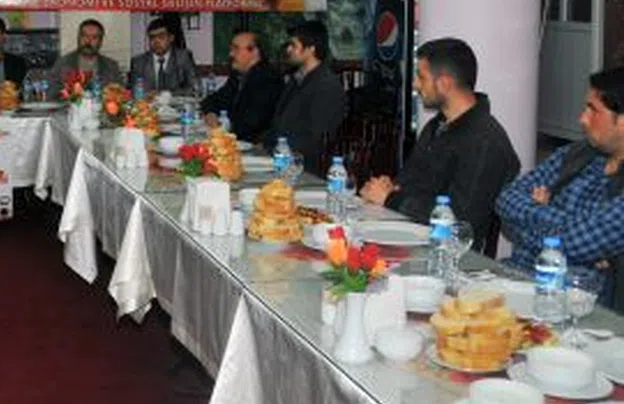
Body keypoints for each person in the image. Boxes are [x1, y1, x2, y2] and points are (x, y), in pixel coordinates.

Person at [359, 38, 519, 254]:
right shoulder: (437, 126)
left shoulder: (485, 140)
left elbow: (461, 220)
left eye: (421, 77)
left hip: (446, 255)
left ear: (444, 83)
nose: (415, 85)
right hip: (408, 234)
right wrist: (389, 187)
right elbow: (410, 181)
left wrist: (390, 198)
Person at [496, 67, 624, 292]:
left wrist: (528, 221)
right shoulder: (576, 154)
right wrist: (563, 226)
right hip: (516, 277)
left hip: (574, 299)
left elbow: (574, 243)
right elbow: (505, 199)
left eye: (593, 110)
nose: (582, 119)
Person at [264, 20, 347, 174]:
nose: (288, 49)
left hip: (306, 167)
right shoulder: (296, 79)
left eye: (293, 45)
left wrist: (279, 154)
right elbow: (279, 122)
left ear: (310, 49)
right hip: (281, 157)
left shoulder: (326, 86)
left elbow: (317, 138)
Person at [199, 30, 281, 142]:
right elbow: (214, 99)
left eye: (236, 49)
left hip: (255, 144)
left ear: (255, 52)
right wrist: (211, 113)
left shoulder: (268, 79)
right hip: (235, 138)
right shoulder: (238, 74)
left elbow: (252, 123)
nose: (231, 54)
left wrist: (220, 125)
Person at [128, 18, 198, 93]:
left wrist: (169, 95)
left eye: (161, 37)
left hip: (175, 100)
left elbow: (193, 88)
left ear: (171, 38)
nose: (156, 42)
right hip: (149, 100)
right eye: (152, 37)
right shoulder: (138, 62)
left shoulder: (183, 58)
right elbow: (134, 90)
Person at [52, 19, 123, 85]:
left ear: (101, 41)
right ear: (78, 38)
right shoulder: (62, 64)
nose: (88, 41)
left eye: (94, 37)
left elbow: (120, 92)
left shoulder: (112, 67)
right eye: (84, 36)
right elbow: (51, 91)